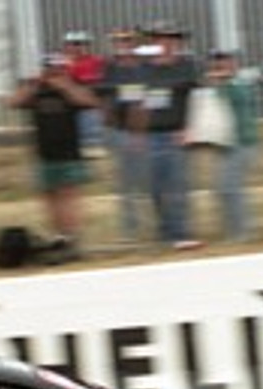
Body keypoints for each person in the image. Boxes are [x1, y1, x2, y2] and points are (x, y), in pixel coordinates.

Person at [9, 53, 99, 261]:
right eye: (51, 68)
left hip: (68, 152)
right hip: (44, 153)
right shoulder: (37, 90)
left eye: (59, 68)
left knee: (68, 197)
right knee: (50, 197)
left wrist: (65, 87)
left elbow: (90, 101)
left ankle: (72, 238)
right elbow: (13, 102)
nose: (55, 72)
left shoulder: (71, 87)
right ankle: (59, 236)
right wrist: (32, 86)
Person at [137, 21, 202, 250]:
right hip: (151, 135)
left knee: (177, 186)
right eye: (159, 39)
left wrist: (189, 128)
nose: (165, 43)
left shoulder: (186, 66)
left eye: (170, 39)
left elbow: (196, 99)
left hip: (176, 133)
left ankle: (181, 233)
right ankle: (165, 232)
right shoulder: (142, 70)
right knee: (156, 188)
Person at [193, 50, 260, 243]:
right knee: (224, 188)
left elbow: (238, 97)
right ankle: (236, 230)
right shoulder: (219, 86)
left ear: (233, 63)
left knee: (230, 188)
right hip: (226, 144)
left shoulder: (240, 83)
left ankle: (241, 232)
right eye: (216, 63)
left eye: (224, 62)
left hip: (242, 143)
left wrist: (223, 80)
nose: (219, 66)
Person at [98, 26, 149, 241]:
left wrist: (139, 134)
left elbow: (146, 100)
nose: (122, 44)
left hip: (141, 131)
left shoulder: (143, 68)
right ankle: (130, 229)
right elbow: (104, 96)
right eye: (118, 41)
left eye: (126, 40)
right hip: (117, 130)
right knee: (125, 184)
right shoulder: (110, 67)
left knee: (145, 181)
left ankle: (156, 225)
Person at [62, 30, 106, 152]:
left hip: (88, 111)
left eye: (80, 44)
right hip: (67, 111)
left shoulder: (95, 61)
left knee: (91, 146)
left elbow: (90, 83)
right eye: (72, 44)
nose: (76, 48)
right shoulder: (61, 64)